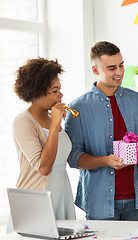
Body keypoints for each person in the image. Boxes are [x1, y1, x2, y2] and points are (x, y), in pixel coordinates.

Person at [65, 41, 138, 221]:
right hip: (98, 201)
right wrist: (105, 161)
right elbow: (73, 157)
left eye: (121, 65)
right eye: (111, 68)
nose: (119, 72)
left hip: (137, 200)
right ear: (95, 70)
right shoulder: (78, 108)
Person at [12, 58, 76, 220]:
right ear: (37, 92)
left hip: (61, 194)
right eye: (55, 91)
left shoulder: (52, 116)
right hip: (36, 199)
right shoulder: (23, 121)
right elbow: (44, 168)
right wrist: (55, 125)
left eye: (59, 89)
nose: (60, 95)